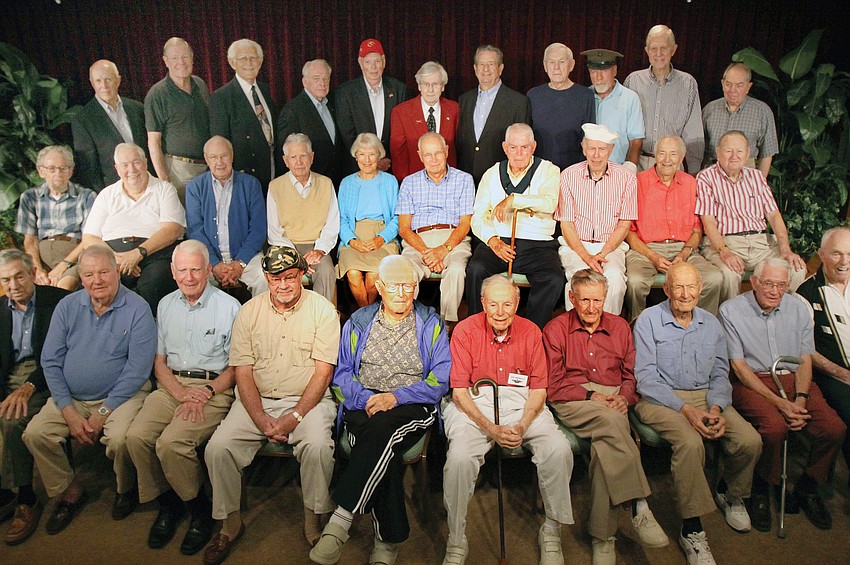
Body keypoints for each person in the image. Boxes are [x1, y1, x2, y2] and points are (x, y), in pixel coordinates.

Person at [203, 246, 339, 565]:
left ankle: (313, 520)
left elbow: (323, 373)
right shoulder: (249, 311)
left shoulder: (323, 310)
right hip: (256, 400)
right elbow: (243, 371)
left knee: (318, 446)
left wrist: (295, 416)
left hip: (307, 400)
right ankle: (229, 525)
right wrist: (260, 417)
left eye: (290, 277)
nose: (283, 285)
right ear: (266, 278)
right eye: (276, 278)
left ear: (302, 274)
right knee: (218, 448)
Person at [310, 255, 450, 565]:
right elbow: (342, 375)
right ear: (380, 287)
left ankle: (341, 518)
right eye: (394, 286)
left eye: (408, 286)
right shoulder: (359, 321)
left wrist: (396, 397)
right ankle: (388, 541)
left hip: (412, 404)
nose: (402, 293)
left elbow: (439, 381)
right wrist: (365, 399)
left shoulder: (431, 323)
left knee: (379, 433)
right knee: (384, 449)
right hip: (365, 401)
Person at [22, 245, 156, 534]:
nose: (97, 280)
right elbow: (50, 362)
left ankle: (125, 489)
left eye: (104, 272)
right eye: (89, 274)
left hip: (122, 396)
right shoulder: (67, 307)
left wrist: (103, 413)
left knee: (120, 438)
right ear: (80, 278)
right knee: (35, 433)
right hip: (71, 398)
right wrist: (68, 411)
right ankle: (71, 492)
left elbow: (138, 370)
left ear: (117, 272)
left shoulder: (138, 308)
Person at [635, 262, 762, 565]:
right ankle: (692, 529)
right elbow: (646, 378)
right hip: (659, 399)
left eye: (691, 287)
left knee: (749, 440)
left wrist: (716, 407)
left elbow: (719, 373)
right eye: (678, 287)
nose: (685, 294)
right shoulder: (648, 320)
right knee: (691, 443)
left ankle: (729, 491)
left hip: (707, 397)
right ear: (667, 289)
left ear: (700, 289)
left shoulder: (711, 323)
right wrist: (687, 410)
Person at [442, 274, 573, 565]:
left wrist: (523, 425)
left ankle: (551, 530)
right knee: (460, 458)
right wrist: (491, 428)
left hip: (522, 403)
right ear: (483, 303)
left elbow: (539, 390)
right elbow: (459, 393)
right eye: (493, 305)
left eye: (507, 304)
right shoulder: (465, 330)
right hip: (475, 404)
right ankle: (456, 536)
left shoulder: (531, 332)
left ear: (517, 303)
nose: (500, 312)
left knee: (558, 448)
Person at [125, 240, 240, 555]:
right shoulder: (165, 305)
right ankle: (170, 503)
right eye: (183, 270)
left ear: (208, 271)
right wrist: (179, 392)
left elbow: (237, 368)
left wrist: (205, 392)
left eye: (196, 270)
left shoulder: (230, 307)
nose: (189, 277)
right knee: (135, 437)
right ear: (173, 272)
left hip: (213, 389)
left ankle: (200, 510)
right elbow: (159, 362)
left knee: (171, 443)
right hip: (172, 385)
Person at [545, 269, 667, 565]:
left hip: (613, 398)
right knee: (613, 423)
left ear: (605, 298)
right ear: (572, 298)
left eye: (597, 300)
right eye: (584, 300)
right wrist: (590, 396)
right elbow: (553, 383)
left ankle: (603, 536)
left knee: (605, 450)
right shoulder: (556, 329)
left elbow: (631, 375)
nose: (591, 308)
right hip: (573, 398)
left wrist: (624, 397)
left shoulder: (620, 327)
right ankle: (638, 503)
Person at [719, 258, 846, 532]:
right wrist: (780, 404)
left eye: (781, 285)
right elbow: (739, 367)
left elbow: (805, 358)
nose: (775, 291)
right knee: (775, 428)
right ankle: (763, 487)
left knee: (833, 428)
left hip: (795, 380)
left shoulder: (798, 307)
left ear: (788, 285)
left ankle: (808, 487)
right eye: (768, 284)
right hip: (753, 382)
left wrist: (800, 399)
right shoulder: (731, 310)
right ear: (754, 282)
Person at [0, 250, 68, 545]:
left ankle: (26, 498)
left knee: (12, 419)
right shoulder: (1, 309)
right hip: (9, 375)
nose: (13, 285)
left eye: (19, 276)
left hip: (45, 376)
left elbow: (60, 356)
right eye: (6, 280)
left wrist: (28, 386)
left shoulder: (57, 302)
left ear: (32, 274)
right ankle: (5, 491)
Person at [466, 123, 563, 329]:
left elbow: (549, 203)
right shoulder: (492, 173)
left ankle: (530, 332)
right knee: (476, 269)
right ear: (504, 147)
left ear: (533, 147)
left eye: (524, 147)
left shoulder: (549, 170)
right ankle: (478, 330)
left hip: (538, 245)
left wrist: (514, 200)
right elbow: (478, 216)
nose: (519, 153)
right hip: (498, 242)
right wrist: (493, 241)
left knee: (553, 279)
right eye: (513, 147)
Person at [696, 131, 805, 303]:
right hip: (726, 242)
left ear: (747, 153)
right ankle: (730, 317)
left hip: (761, 243)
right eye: (728, 151)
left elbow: (774, 215)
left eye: (739, 151)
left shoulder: (756, 177)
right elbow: (708, 222)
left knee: (796, 268)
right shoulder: (706, 177)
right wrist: (725, 252)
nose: (734, 156)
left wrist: (785, 248)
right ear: (718, 152)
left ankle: (778, 313)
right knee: (729, 274)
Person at [82, 142, 186, 314]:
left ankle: (140, 325)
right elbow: (89, 238)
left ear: (145, 163)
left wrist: (138, 253)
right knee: (97, 283)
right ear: (117, 169)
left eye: (136, 162)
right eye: (125, 165)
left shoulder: (164, 189)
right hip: (113, 259)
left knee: (157, 280)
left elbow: (172, 229)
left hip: (153, 256)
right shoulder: (107, 194)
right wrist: (115, 259)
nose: (131, 169)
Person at [625, 135, 722, 319]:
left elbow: (697, 229)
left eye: (673, 154)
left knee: (713, 279)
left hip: (684, 249)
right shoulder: (638, 182)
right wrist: (652, 256)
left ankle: (702, 326)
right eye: (662, 153)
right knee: (635, 282)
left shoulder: (691, 183)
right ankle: (639, 327)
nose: (667, 159)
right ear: (655, 155)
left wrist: (684, 253)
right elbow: (629, 231)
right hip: (645, 250)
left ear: (681, 157)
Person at [557, 124, 636, 315]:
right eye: (592, 148)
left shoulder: (627, 178)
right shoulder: (568, 176)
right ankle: (576, 331)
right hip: (576, 246)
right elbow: (566, 224)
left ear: (611, 150)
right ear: (583, 149)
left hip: (611, 247)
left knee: (615, 278)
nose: (596, 155)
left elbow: (624, 224)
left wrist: (603, 253)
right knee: (579, 280)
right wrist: (586, 256)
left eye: (602, 149)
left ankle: (607, 330)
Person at [396, 132, 474, 325]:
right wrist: (427, 252)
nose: (434, 159)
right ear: (420, 156)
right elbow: (404, 228)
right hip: (418, 241)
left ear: (446, 151)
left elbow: (465, 223)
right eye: (428, 155)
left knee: (456, 270)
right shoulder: (409, 183)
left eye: (438, 153)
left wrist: (443, 250)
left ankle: (446, 325)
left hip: (453, 240)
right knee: (406, 271)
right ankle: (406, 323)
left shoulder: (464, 179)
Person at [797, 226, 850, 482]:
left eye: (849, 254)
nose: (844, 261)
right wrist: (842, 373)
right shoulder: (806, 294)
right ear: (822, 254)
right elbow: (804, 349)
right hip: (829, 375)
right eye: (837, 253)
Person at [186, 136, 268, 298]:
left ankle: (259, 316)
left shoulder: (250, 184)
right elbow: (195, 231)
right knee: (192, 280)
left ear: (232, 156)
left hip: (246, 258)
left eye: (224, 156)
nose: (219, 162)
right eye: (213, 157)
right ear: (206, 159)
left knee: (263, 278)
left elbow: (258, 229)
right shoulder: (195, 187)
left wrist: (240, 263)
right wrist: (214, 264)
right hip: (208, 258)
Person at [267, 133, 340, 304]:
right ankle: (286, 317)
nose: (299, 162)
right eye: (293, 157)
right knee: (282, 274)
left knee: (326, 271)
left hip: (316, 247)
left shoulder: (326, 183)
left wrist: (319, 250)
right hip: (285, 247)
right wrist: (295, 259)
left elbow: (332, 224)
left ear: (311, 157)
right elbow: (274, 231)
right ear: (286, 161)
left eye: (303, 156)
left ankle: (323, 317)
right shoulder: (275, 186)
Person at [623, 25, 704, 173]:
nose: (658, 54)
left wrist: (693, 171)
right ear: (647, 51)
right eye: (654, 49)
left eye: (664, 48)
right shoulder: (633, 81)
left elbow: (694, 133)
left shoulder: (688, 84)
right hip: (637, 163)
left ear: (673, 50)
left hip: (672, 165)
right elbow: (623, 126)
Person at [15, 145, 96, 290]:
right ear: (41, 171)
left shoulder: (86, 196)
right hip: (41, 261)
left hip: (74, 259)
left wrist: (63, 266)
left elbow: (89, 239)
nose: (58, 173)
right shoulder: (30, 197)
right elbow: (30, 240)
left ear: (71, 170)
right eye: (51, 169)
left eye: (63, 168)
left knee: (62, 288)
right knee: (28, 289)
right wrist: (37, 269)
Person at [336, 133, 399, 308]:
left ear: (379, 156)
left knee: (373, 276)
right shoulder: (347, 183)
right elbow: (341, 218)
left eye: (371, 154)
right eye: (362, 154)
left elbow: (397, 217)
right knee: (353, 274)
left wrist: (381, 238)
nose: (367, 160)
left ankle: (363, 317)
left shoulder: (390, 181)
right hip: (353, 235)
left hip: (383, 236)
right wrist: (352, 241)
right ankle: (368, 316)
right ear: (356, 156)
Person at [145, 37, 210, 200]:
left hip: (208, 167)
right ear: (165, 61)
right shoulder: (157, 94)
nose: (181, 62)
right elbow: (154, 143)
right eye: (174, 58)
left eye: (185, 56)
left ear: (192, 58)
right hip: (179, 172)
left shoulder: (200, 84)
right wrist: (164, 180)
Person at [456, 45, 532, 185]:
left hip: (500, 180)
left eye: (491, 64)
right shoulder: (464, 100)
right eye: (481, 64)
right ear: (475, 68)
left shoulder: (518, 102)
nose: (486, 69)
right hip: (466, 179)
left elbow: (522, 145)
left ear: (500, 68)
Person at [210, 39, 277, 193]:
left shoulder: (265, 90)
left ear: (260, 61)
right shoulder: (221, 97)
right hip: (243, 178)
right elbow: (220, 143)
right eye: (243, 59)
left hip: (271, 169)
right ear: (232, 63)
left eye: (253, 58)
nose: (249, 63)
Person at [71, 60, 149, 191]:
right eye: (98, 81)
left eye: (108, 79)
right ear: (92, 83)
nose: (104, 86)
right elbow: (89, 170)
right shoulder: (83, 120)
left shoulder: (137, 108)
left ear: (118, 80)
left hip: (148, 184)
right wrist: (104, 196)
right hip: (114, 190)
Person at [334, 39, 407, 175]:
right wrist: (372, 160)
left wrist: (385, 159)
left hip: (390, 166)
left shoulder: (398, 89)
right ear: (361, 64)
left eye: (377, 61)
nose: (373, 67)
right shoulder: (345, 93)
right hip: (359, 167)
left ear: (383, 62)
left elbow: (402, 131)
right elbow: (347, 134)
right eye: (368, 62)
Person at [702, 63, 778, 178]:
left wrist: (759, 183)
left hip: (746, 176)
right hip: (711, 175)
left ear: (748, 87)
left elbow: (767, 153)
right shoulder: (709, 109)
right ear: (722, 84)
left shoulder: (762, 111)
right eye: (728, 84)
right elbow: (698, 149)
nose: (732, 90)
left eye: (739, 85)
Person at [527, 43, 595, 169]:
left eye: (562, 62)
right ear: (545, 66)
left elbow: (589, 138)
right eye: (552, 62)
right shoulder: (533, 95)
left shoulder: (585, 96)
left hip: (574, 171)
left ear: (571, 65)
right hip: (538, 170)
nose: (556, 67)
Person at [390, 61, 459, 182]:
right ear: (419, 86)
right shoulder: (401, 112)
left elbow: (460, 149)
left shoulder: (455, 110)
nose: (430, 90)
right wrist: (407, 183)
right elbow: (398, 155)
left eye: (435, 84)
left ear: (443, 86)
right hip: (415, 183)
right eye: (426, 84)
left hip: (449, 182)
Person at [276, 59, 343, 185]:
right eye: (316, 78)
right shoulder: (292, 110)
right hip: (308, 185)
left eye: (325, 78)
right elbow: (286, 155)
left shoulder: (332, 105)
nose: (322, 83)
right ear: (305, 82)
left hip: (334, 182)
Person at [581, 49, 644, 171]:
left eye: (604, 71)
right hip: (587, 172)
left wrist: (629, 169)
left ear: (614, 70)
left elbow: (636, 140)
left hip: (618, 169)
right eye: (594, 71)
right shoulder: (583, 97)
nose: (598, 77)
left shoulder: (630, 98)